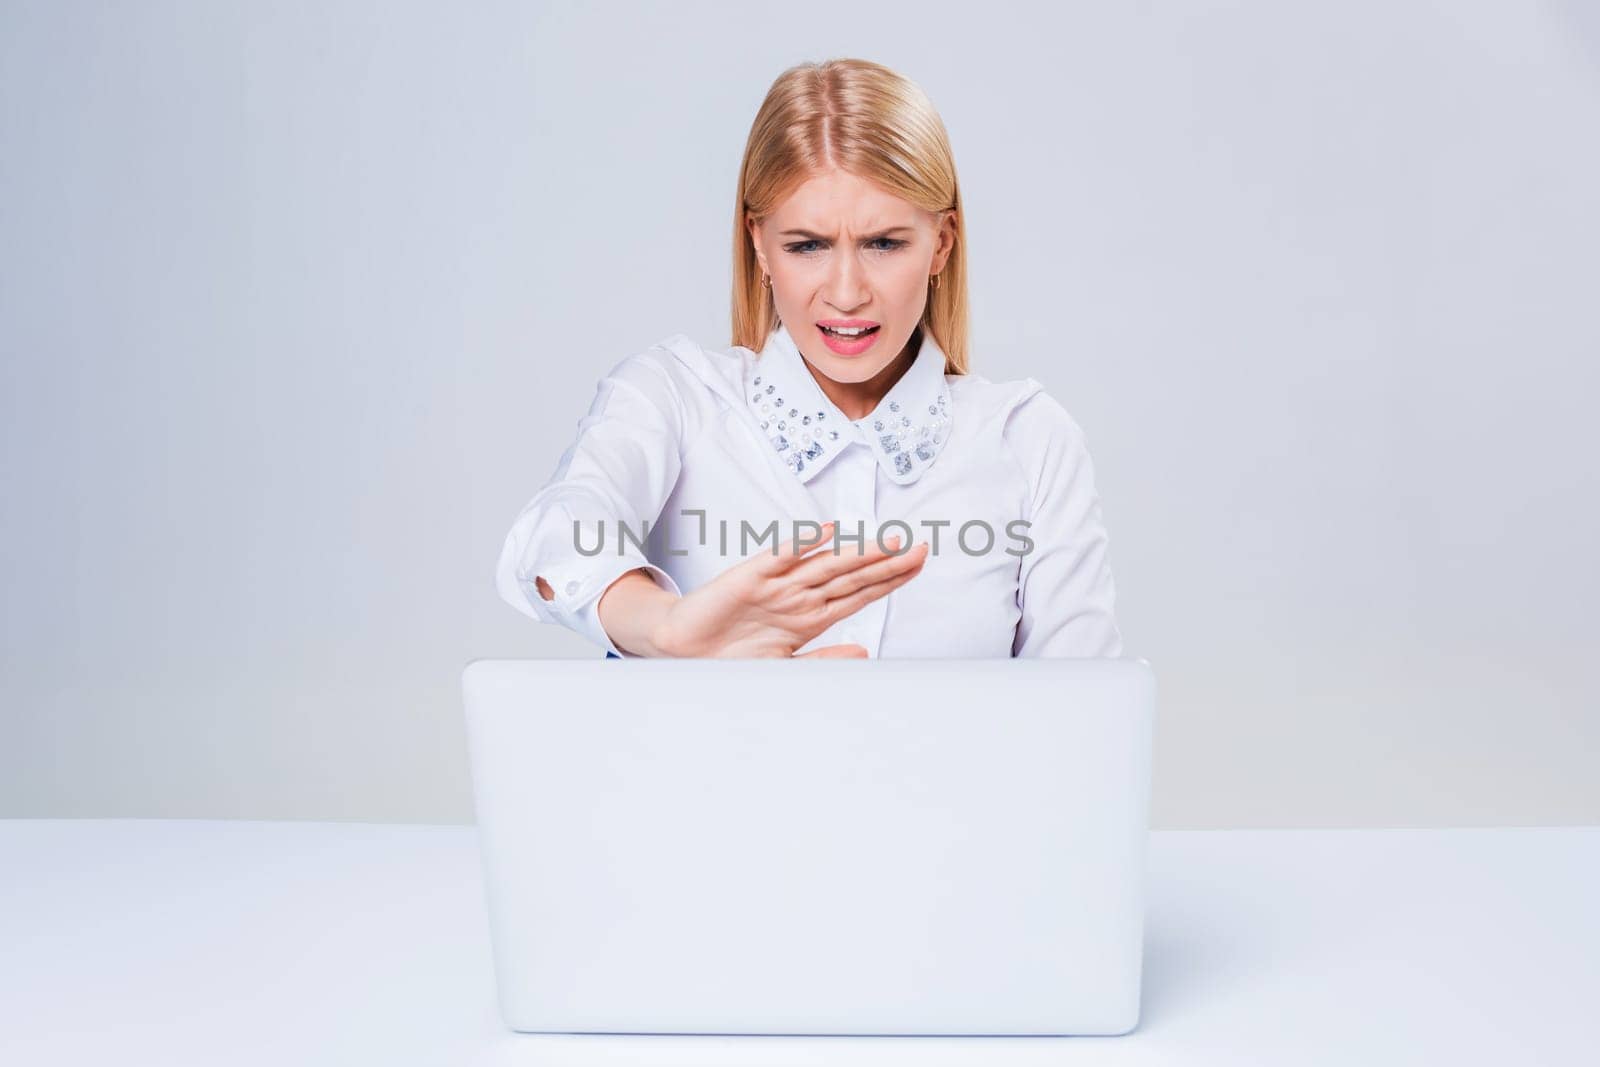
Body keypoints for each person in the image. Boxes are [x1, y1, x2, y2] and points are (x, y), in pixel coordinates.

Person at [495, 58, 1124, 660]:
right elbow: (556, 537)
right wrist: (665, 628)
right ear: (759, 246)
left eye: (884, 243)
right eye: (807, 245)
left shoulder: (1028, 440)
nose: (847, 293)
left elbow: (1085, 718)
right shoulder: (677, 400)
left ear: (942, 244)